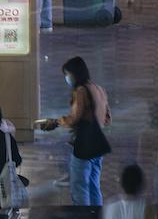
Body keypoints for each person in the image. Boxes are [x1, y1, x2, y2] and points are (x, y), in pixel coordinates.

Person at [38, 55, 111, 205]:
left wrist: (56, 122)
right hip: (99, 144)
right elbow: (108, 118)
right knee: (93, 186)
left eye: (67, 74)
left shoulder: (81, 91)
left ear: (75, 73)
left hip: (84, 145)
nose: (67, 78)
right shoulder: (98, 89)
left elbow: (74, 118)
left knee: (79, 186)